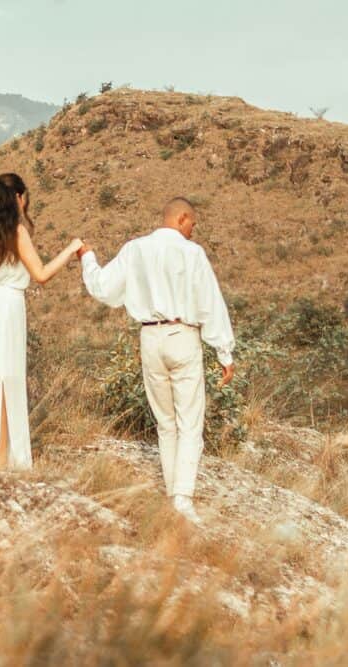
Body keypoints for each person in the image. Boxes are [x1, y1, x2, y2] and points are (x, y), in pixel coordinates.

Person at [77, 197, 235, 524]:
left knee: (165, 423)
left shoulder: (135, 249)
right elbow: (210, 302)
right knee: (189, 422)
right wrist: (224, 351)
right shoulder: (192, 253)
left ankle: (171, 495)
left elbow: (103, 288)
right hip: (182, 336)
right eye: (192, 223)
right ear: (182, 218)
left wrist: (88, 258)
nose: (193, 230)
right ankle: (183, 498)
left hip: (149, 338)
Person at [0, 173, 83, 470]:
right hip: (6, 310)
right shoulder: (17, 233)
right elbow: (42, 275)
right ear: (19, 199)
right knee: (4, 385)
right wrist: (72, 249)